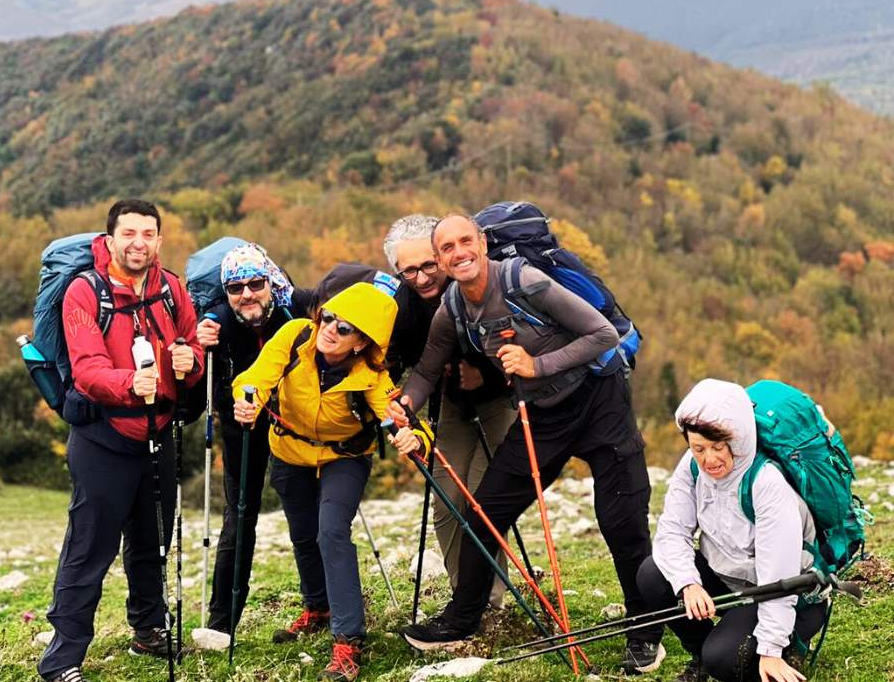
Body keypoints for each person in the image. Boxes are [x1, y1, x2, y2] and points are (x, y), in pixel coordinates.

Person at [389, 213, 664, 674]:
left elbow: (602, 335)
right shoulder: (453, 308)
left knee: (622, 522)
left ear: (481, 243)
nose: (459, 253)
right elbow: (427, 371)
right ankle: (462, 620)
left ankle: (646, 632)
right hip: (544, 415)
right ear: (439, 259)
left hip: (601, 402)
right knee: (484, 513)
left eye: (465, 242)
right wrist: (406, 405)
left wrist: (537, 366)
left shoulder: (525, 280)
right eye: (448, 249)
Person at [38, 199, 204, 682]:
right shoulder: (84, 292)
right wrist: (130, 383)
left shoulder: (171, 287)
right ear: (110, 240)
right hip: (103, 437)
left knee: (152, 537)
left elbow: (191, 341)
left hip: (159, 434)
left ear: (159, 239)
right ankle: (62, 659)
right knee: (90, 547)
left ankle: (148, 630)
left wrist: (189, 362)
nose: (138, 243)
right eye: (128, 234)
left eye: (148, 234)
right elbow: (87, 369)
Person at [232, 282, 397, 682]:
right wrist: (248, 398)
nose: (330, 328)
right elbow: (255, 378)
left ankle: (347, 641)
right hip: (290, 450)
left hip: (345, 456)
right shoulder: (294, 337)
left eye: (345, 328)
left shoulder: (372, 375)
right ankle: (318, 608)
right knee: (304, 534)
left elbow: (397, 416)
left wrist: (413, 436)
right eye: (328, 317)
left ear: (361, 343)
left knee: (331, 532)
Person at [637, 379, 826, 682]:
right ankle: (701, 654)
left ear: (737, 440)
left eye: (717, 447)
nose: (708, 459)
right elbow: (672, 533)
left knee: (725, 661)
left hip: (788, 592)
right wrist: (688, 584)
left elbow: (780, 576)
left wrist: (770, 649)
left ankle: (783, 646)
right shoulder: (692, 467)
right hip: (730, 582)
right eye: (698, 447)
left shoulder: (765, 483)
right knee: (653, 573)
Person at [383, 214, 515, 611]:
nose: (421, 278)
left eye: (427, 265)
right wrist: (397, 403)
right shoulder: (401, 307)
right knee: (446, 500)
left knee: (481, 499)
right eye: (409, 271)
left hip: (499, 400)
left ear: (441, 257)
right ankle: (467, 600)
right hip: (452, 405)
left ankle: (491, 601)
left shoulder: (477, 285)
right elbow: (396, 364)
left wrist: (487, 373)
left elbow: (524, 347)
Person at [193, 242, 307, 644]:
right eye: (236, 288)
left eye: (255, 283)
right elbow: (191, 370)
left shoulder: (294, 310)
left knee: (307, 513)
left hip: (295, 424)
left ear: (270, 283)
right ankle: (222, 622)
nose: (247, 294)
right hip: (241, 429)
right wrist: (196, 342)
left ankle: (321, 606)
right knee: (240, 519)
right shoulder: (217, 321)